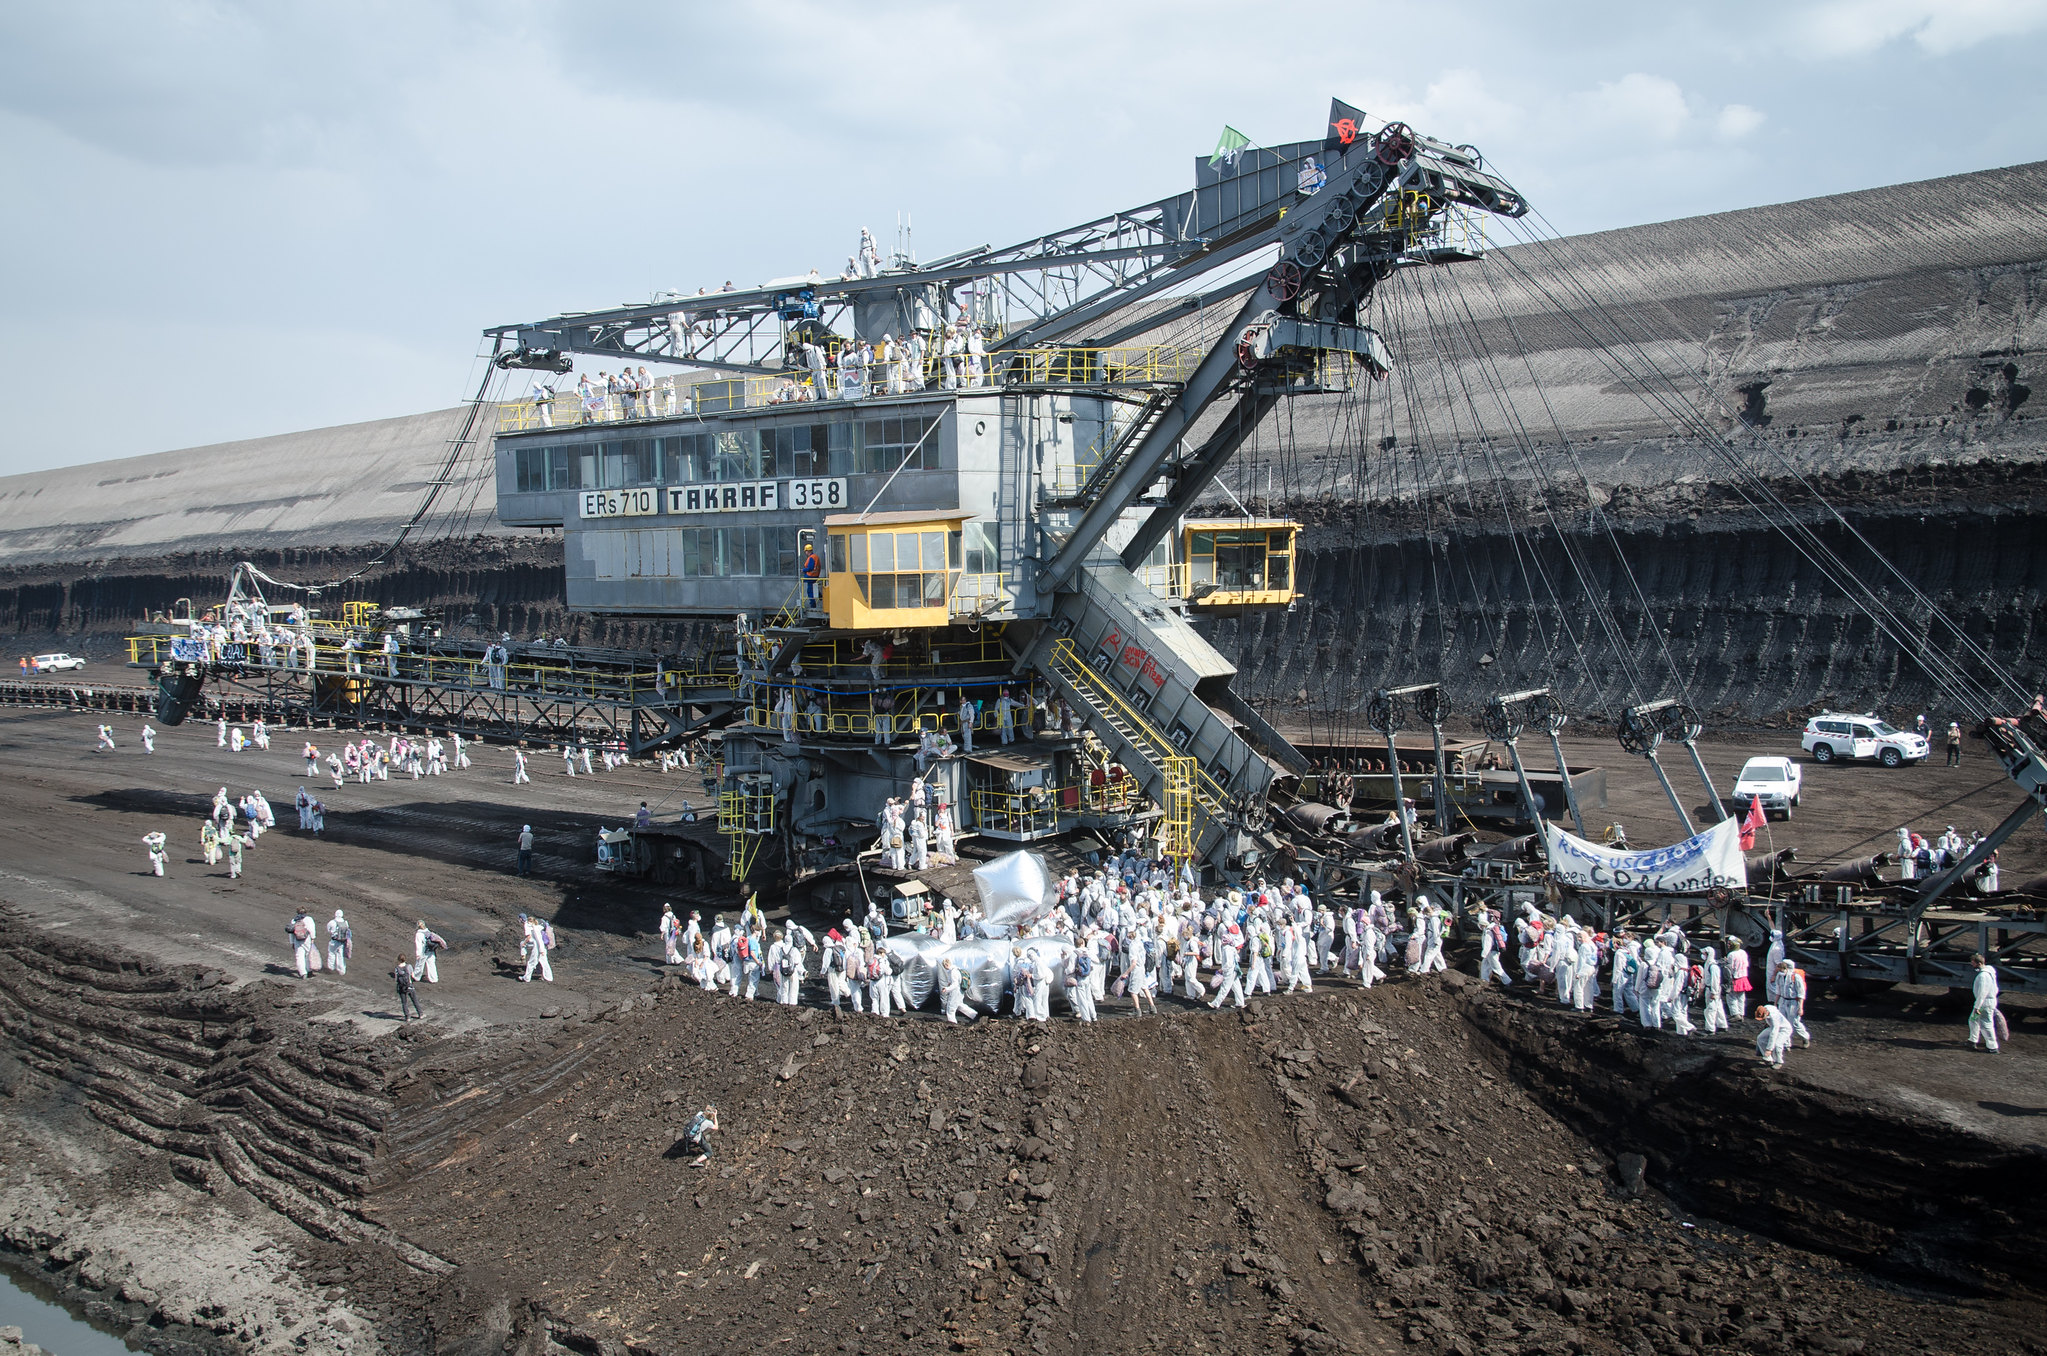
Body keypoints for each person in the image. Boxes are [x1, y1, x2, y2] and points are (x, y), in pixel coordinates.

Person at [1774, 959, 1811, 1047]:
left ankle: (1805, 1037)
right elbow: (1778, 990)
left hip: (1793, 1002)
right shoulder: (1779, 976)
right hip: (1783, 1001)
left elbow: (1801, 994)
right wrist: (1775, 1003)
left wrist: (1800, 1008)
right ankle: (1786, 1043)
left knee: (1794, 1023)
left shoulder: (1796, 977)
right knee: (1783, 1023)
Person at [1969, 954, 2001, 1053]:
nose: (1972, 964)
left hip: (1984, 1003)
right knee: (1973, 1019)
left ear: (1979, 963)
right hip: (1987, 1002)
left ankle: (1992, 1047)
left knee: (1986, 1024)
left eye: (1973, 963)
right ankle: (1972, 1040)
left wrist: (1977, 1007)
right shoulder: (1990, 971)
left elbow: (1982, 993)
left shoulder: (1983, 976)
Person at [1755, 1003, 1792, 1067]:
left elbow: (1773, 1034)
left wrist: (1769, 1049)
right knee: (1760, 1038)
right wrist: (1768, 1023)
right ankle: (1768, 1059)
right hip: (1773, 1027)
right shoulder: (1767, 1007)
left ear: (1766, 1013)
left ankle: (1778, 1061)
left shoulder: (1774, 1018)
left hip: (1784, 1029)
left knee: (1777, 1044)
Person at [522, 913, 554, 982]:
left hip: (538, 948)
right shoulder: (537, 927)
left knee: (531, 963)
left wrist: (541, 950)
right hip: (541, 948)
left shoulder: (534, 928)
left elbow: (539, 939)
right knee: (544, 962)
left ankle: (526, 978)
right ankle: (549, 977)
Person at [393, 956, 424, 1023]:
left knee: (404, 1003)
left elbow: (396, 979)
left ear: (398, 960)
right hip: (409, 986)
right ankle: (420, 1014)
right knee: (415, 1000)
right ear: (405, 959)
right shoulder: (408, 966)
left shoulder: (397, 968)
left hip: (401, 988)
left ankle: (407, 1017)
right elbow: (413, 976)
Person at [290, 909, 319, 978]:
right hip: (307, 939)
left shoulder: (294, 920)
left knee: (299, 957)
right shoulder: (308, 919)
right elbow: (312, 929)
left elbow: (291, 933)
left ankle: (303, 973)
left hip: (297, 940)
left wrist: (292, 942)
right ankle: (309, 970)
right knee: (307, 955)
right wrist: (313, 938)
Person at [326, 910, 352, 975]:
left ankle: (331, 968)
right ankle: (341, 970)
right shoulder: (345, 922)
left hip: (334, 941)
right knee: (340, 956)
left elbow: (328, 930)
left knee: (332, 953)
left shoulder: (332, 922)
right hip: (342, 942)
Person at [802, 542, 824, 609]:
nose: (805, 552)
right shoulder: (816, 557)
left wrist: (803, 570)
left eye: (806, 551)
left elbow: (810, 568)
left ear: (808, 551)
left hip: (810, 576)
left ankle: (813, 605)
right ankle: (820, 596)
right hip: (815, 575)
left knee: (810, 591)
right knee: (814, 588)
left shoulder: (811, 558)